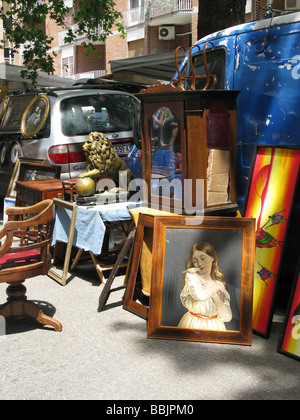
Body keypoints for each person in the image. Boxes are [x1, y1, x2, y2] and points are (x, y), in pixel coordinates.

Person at [178, 241, 232, 331]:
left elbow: (226, 316)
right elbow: (200, 296)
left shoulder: (218, 283)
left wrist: (215, 295)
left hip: (214, 326)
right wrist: (216, 288)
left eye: (203, 258)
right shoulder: (192, 277)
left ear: (212, 258)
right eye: (195, 261)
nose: (199, 264)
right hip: (193, 324)